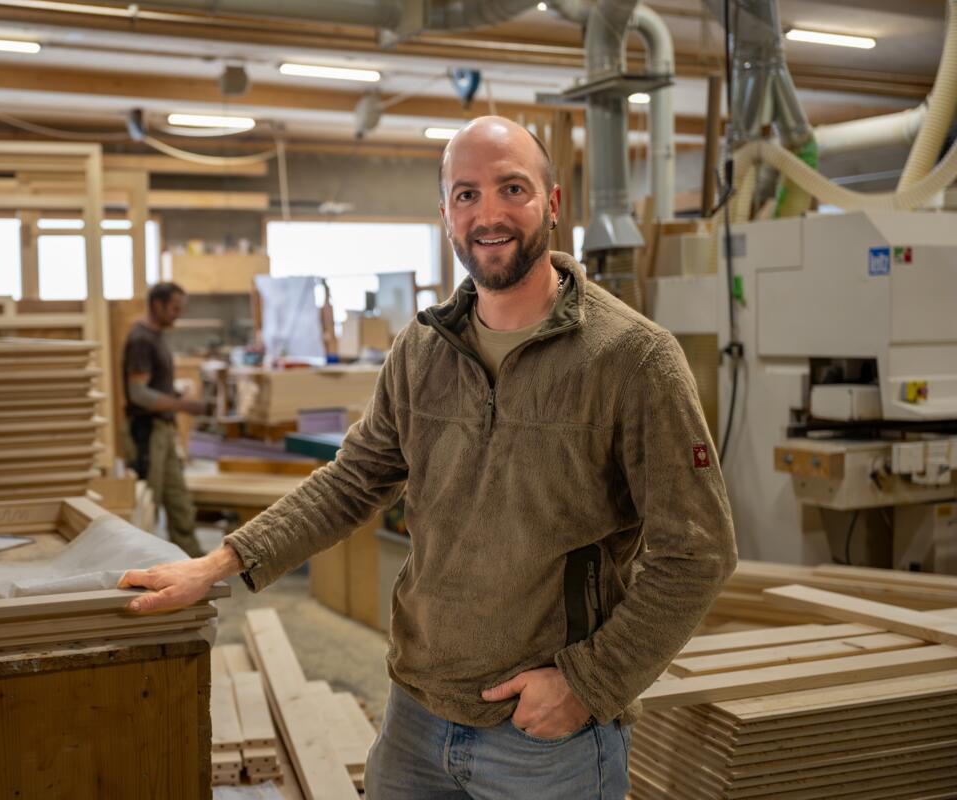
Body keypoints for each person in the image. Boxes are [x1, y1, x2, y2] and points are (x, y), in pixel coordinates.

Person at [118, 117, 737, 798]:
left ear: (553, 205)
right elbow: (350, 484)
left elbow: (697, 551)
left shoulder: (633, 359)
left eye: (512, 188)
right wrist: (219, 563)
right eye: (466, 194)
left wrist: (589, 684)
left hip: (545, 741)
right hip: (415, 718)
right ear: (444, 213)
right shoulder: (421, 351)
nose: (489, 214)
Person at [123, 282, 209, 558]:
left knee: (178, 498)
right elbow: (138, 394)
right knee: (148, 500)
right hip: (146, 431)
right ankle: (144, 563)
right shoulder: (141, 339)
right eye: (174, 308)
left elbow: (153, 388)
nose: (178, 314)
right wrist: (184, 405)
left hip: (162, 428)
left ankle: (192, 559)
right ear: (157, 305)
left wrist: (173, 395)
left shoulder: (157, 336)